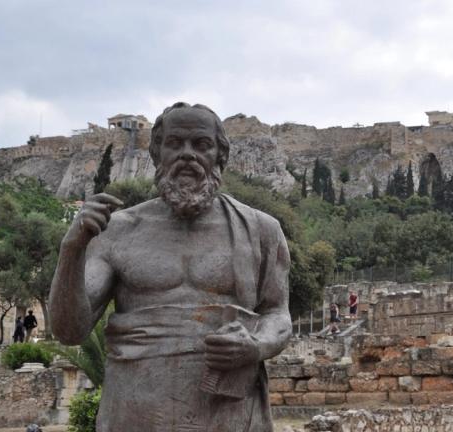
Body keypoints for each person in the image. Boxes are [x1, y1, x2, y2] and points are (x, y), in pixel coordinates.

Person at [49, 102, 291, 432]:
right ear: (156, 153)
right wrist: (71, 249)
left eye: (201, 144)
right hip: (134, 413)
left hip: (227, 414)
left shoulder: (261, 229)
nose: (187, 155)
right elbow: (69, 330)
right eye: (175, 143)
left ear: (220, 156)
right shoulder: (118, 230)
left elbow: (277, 314)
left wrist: (256, 346)